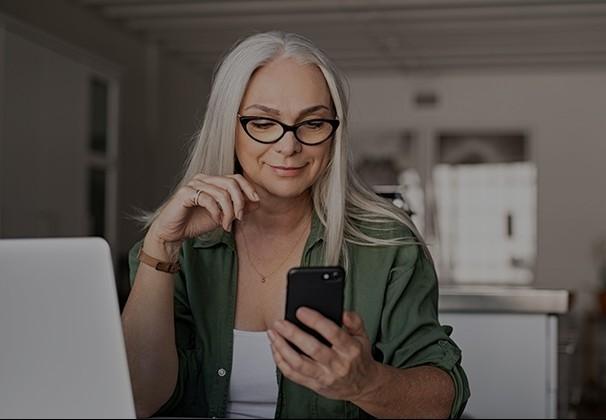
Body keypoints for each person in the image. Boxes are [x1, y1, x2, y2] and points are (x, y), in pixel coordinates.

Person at [121, 31, 469, 419]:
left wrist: (366, 382)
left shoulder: (387, 244)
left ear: (334, 133)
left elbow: (443, 401)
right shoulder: (175, 247)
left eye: (313, 123)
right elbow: (137, 399)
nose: (289, 146)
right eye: (264, 123)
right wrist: (161, 249)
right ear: (228, 127)